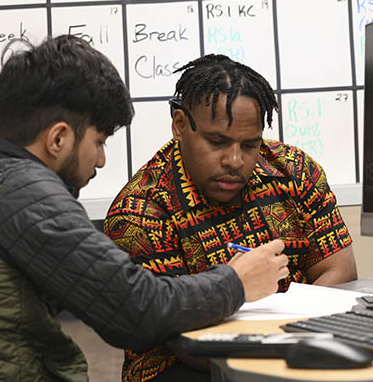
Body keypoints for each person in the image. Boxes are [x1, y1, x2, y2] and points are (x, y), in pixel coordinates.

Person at [0, 36, 289, 382]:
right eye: (99, 141)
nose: (102, 159)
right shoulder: (28, 196)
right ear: (58, 138)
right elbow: (136, 308)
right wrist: (237, 281)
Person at [104, 54, 358, 381]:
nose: (235, 161)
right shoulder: (141, 211)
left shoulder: (295, 172)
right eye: (217, 141)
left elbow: (340, 271)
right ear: (180, 126)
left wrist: (288, 343)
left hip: (300, 347)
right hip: (181, 366)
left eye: (250, 145)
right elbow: (180, 337)